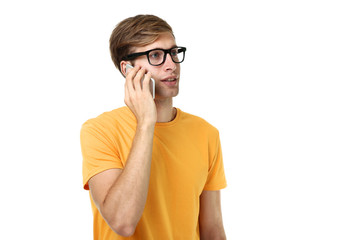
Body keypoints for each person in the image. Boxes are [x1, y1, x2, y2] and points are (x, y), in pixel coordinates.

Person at [80, 14, 227, 240]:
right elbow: (122, 222)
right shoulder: (99, 131)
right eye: (156, 55)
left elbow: (213, 229)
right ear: (127, 69)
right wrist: (146, 123)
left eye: (174, 53)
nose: (172, 65)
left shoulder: (206, 133)